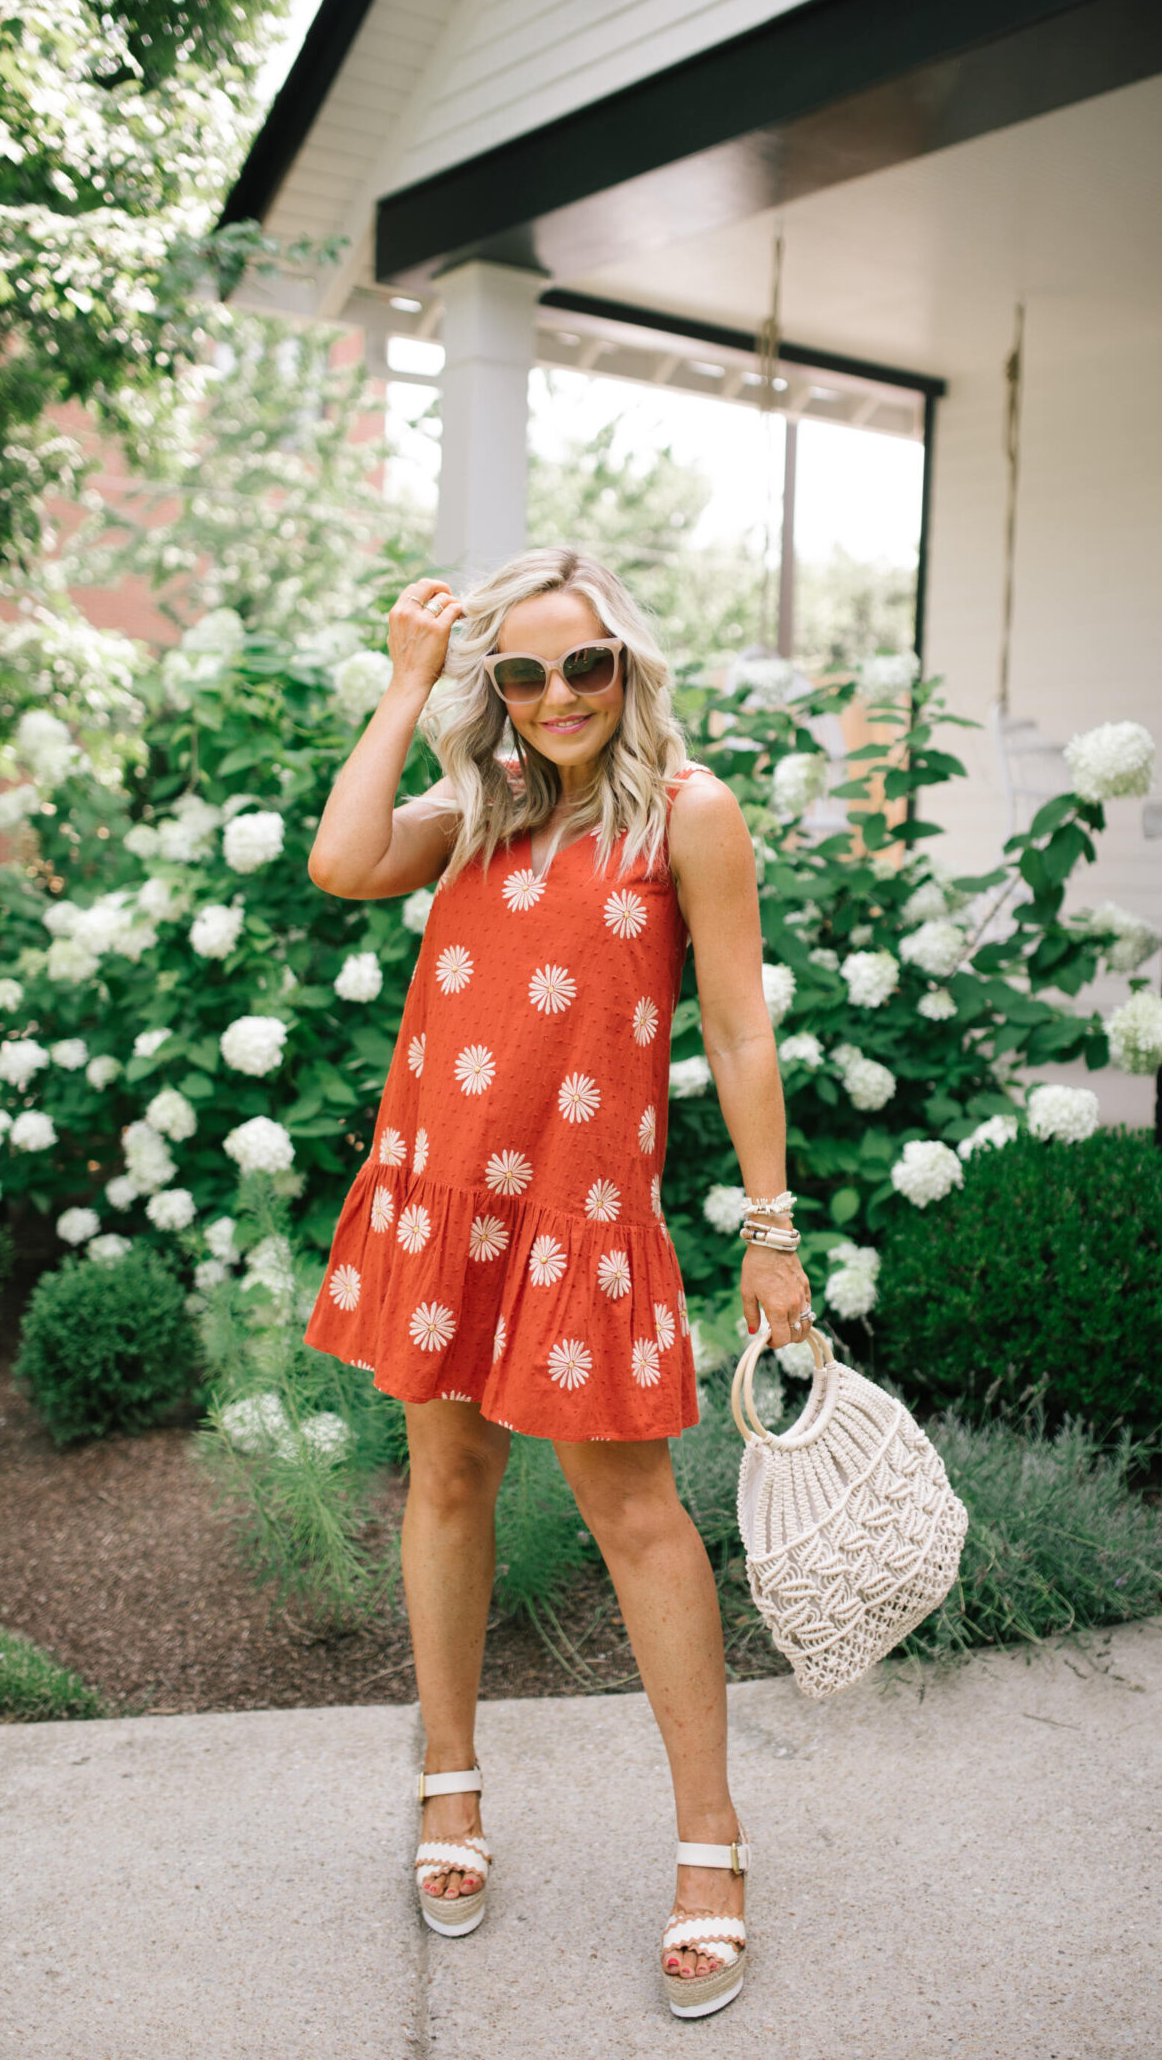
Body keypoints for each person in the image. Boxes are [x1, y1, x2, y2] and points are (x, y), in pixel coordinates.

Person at [302, 549, 811, 2019]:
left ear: (627, 665)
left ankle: (711, 1846)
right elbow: (340, 862)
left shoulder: (688, 814)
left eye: (583, 665)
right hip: (444, 1204)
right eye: (521, 674)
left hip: (580, 1222)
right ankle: (447, 1788)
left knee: (638, 1518)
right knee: (447, 1485)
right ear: (498, 695)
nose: (556, 697)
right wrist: (409, 687)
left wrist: (769, 1225)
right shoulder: (478, 811)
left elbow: (735, 1027)